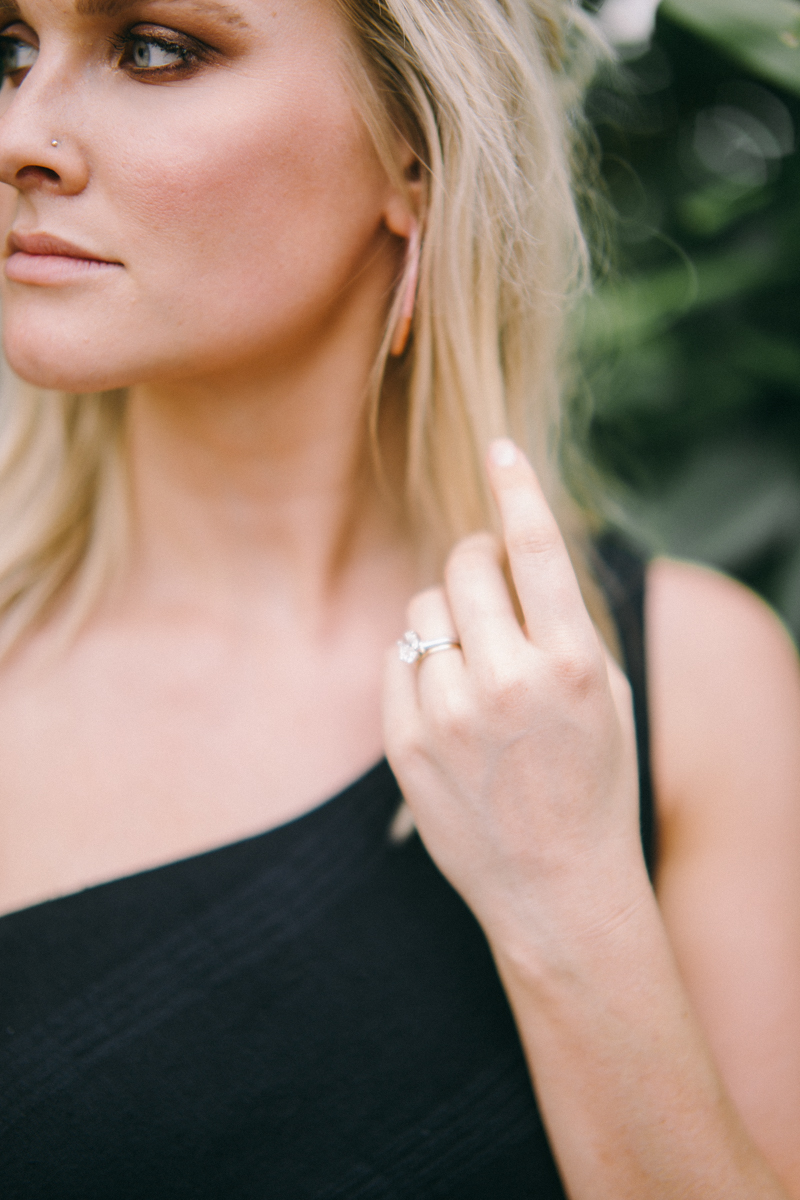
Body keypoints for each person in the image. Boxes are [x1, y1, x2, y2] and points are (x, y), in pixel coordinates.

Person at [0, 0, 797, 1195]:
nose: (22, 130)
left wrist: (568, 902)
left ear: (415, 152)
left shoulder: (684, 678)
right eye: (9, 48)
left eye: (153, 49)